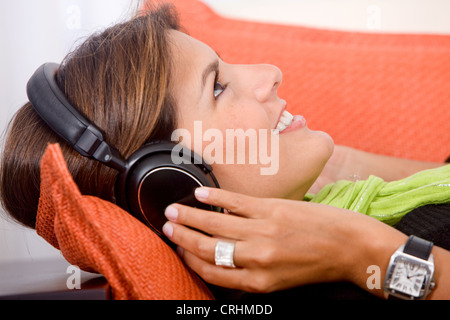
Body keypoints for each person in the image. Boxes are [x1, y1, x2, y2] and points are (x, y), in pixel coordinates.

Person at [0, 3, 449, 300]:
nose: (270, 72)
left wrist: (340, 168)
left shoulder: (350, 211)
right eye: (217, 87)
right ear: (174, 183)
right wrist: (363, 252)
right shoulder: (341, 262)